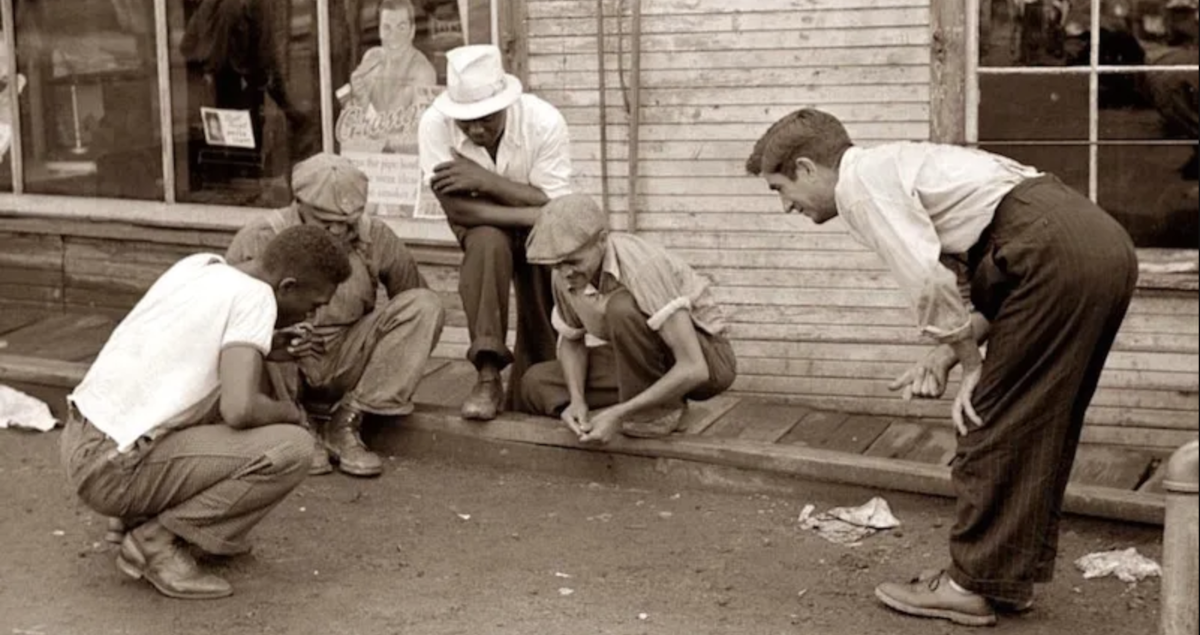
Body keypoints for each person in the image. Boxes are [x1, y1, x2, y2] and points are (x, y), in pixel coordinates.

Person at [746, 109, 1138, 627]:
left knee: (989, 424)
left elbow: (930, 283)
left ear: (806, 167)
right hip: (1098, 245)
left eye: (780, 188)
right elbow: (999, 276)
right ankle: (1003, 580)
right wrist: (945, 353)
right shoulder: (899, 163)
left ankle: (966, 586)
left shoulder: (860, 188)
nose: (785, 207)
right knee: (1038, 426)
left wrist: (971, 368)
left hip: (1052, 255)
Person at [61, 224, 352, 600]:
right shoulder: (257, 298)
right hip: (112, 469)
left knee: (222, 390)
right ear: (287, 286)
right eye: (312, 305)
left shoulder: (201, 266)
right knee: (291, 447)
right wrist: (291, 414)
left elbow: (178, 353)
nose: (311, 317)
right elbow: (240, 409)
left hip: (82, 440)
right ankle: (156, 542)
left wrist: (267, 344)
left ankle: (131, 519)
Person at [226, 153, 445, 478]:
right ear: (297, 203)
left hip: (346, 357)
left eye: (348, 220)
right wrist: (277, 336)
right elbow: (225, 317)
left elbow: (411, 300)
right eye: (325, 221)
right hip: (283, 363)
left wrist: (391, 358)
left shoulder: (374, 236)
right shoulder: (260, 236)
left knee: (425, 305)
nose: (338, 229)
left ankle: (347, 421)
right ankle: (298, 423)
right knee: (257, 329)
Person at [418, 44, 572, 421]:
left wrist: (484, 180)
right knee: (488, 244)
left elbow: (558, 208)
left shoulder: (544, 121)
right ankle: (487, 375)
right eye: (465, 120)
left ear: (506, 104)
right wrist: (527, 213)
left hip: (535, 220)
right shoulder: (434, 124)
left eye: (485, 118)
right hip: (484, 224)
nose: (475, 129)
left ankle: (539, 379)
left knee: (544, 252)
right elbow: (457, 209)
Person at [520, 195, 737, 444]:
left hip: (708, 362)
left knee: (620, 308)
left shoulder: (642, 266)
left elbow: (695, 368)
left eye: (573, 261)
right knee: (535, 383)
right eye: (555, 265)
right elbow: (571, 341)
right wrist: (576, 401)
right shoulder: (563, 276)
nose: (565, 273)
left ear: (602, 240)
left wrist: (619, 414)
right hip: (639, 363)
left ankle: (655, 414)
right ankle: (651, 402)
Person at [348, 0, 437, 115]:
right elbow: (356, 116)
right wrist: (357, 96)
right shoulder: (372, 58)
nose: (394, 36)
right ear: (379, 30)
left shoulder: (423, 72)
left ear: (412, 31)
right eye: (387, 27)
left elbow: (415, 129)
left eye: (401, 27)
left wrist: (367, 108)